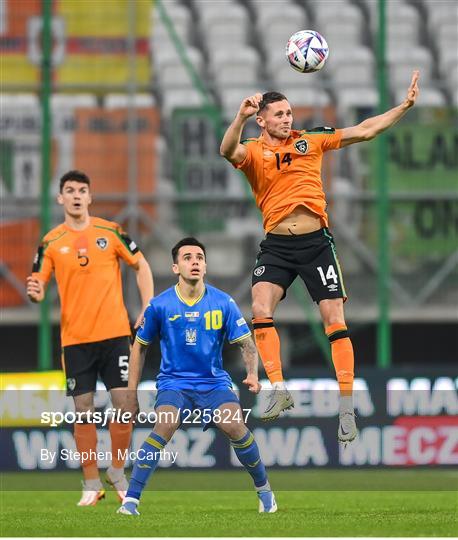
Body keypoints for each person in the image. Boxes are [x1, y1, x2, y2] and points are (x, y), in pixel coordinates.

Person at [220, 72, 420, 441]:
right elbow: (226, 150)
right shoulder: (251, 150)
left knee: (334, 321)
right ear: (262, 119)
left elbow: (365, 130)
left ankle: (346, 411)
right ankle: (278, 391)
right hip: (277, 245)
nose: (286, 119)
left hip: (316, 244)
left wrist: (404, 106)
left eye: (289, 113)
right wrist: (240, 116)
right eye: (278, 114)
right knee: (260, 307)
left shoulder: (311, 141)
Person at [117, 237, 276, 516]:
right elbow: (139, 347)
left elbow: (246, 343)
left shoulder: (222, 302)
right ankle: (131, 501)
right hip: (173, 383)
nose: (195, 262)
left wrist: (252, 373)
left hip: (213, 382)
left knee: (235, 426)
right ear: (175, 267)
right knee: (163, 427)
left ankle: (265, 493)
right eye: (188, 257)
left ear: (205, 266)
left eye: (200, 258)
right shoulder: (160, 305)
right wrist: (131, 395)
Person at [26, 170, 154, 505]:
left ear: (90, 196)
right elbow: (37, 286)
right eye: (70, 191)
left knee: (124, 405)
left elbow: (141, 266)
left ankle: (116, 471)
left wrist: (147, 306)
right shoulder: (51, 241)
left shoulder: (110, 232)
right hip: (76, 339)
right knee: (83, 410)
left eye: (82, 190)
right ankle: (90, 483)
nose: (77, 196)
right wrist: (36, 291)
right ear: (61, 198)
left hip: (114, 335)